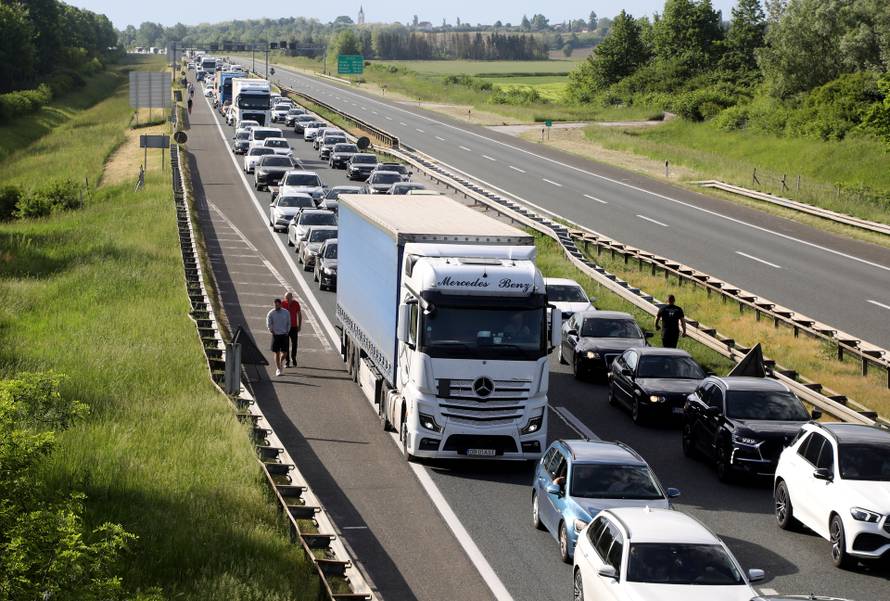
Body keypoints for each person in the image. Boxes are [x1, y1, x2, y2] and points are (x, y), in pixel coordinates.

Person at [266, 298, 291, 376]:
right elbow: (268, 322)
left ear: (280, 304)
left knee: (285, 353)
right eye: (275, 305)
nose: (276, 306)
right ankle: (278, 368)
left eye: (277, 305)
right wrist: (271, 330)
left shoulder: (286, 312)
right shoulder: (271, 313)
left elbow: (288, 322)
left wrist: (287, 331)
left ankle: (280, 362)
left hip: (284, 335)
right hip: (276, 335)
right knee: (276, 352)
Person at [282, 291, 303, 368]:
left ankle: (293, 358)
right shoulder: (282, 304)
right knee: (286, 344)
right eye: (286, 298)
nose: (287, 299)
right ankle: (287, 361)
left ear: (292, 297)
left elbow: (299, 315)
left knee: (295, 344)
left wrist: (299, 325)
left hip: (294, 327)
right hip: (285, 327)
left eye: (288, 298)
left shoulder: (296, 304)